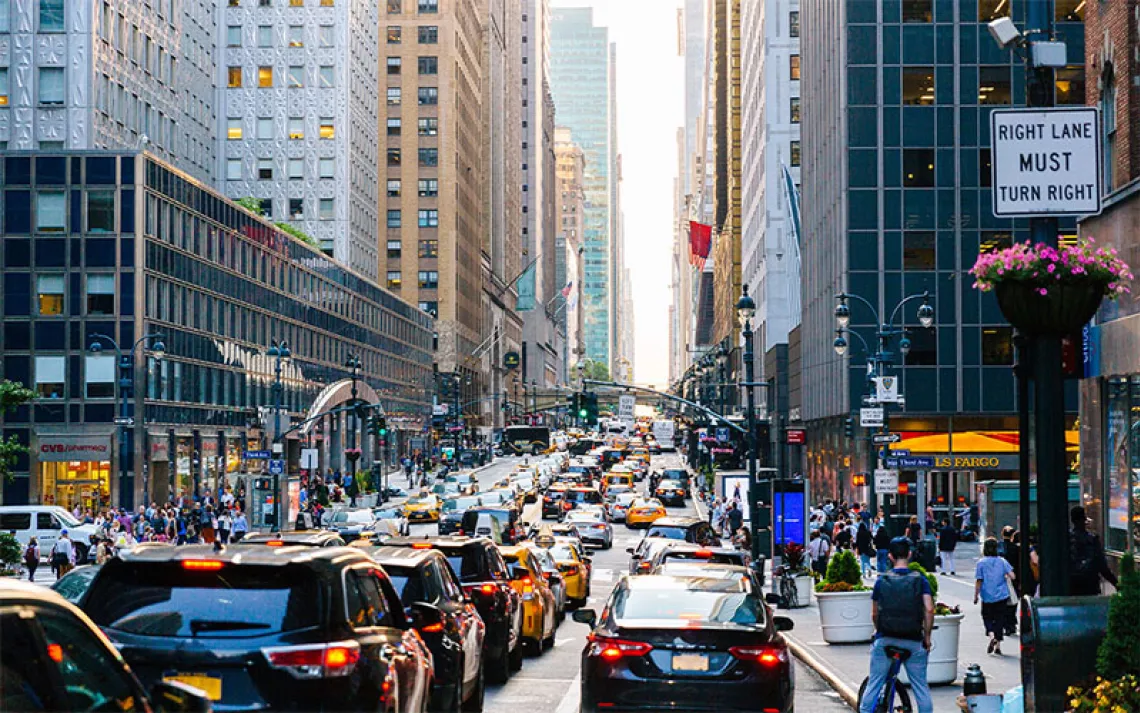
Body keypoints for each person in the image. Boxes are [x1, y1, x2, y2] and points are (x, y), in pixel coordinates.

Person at [859, 537, 935, 713]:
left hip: (886, 638)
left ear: (890, 557)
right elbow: (929, 610)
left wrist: (879, 631)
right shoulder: (920, 580)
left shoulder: (881, 581)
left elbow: (874, 613)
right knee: (920, 687)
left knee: (875, 682)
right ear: (909, 555)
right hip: (913, 640)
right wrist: (927, 638)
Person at [974, 537, 1015, 655]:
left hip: (987, 595)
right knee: (999, 619)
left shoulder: (981, 563)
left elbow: (979, 580)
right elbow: (1013, 576)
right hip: (1001, 595)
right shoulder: (1002, 561)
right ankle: (998, 646)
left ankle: (991, 635)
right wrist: (1005, 576)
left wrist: (976, 595)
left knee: (987, 617)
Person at [1068, 506, 1117, 596]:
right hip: (1090, 586)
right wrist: (1116, 583)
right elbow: (1102, 566)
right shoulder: (1092, 540)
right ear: (1084, 520)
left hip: (1072, 586)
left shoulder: (1067, 540)